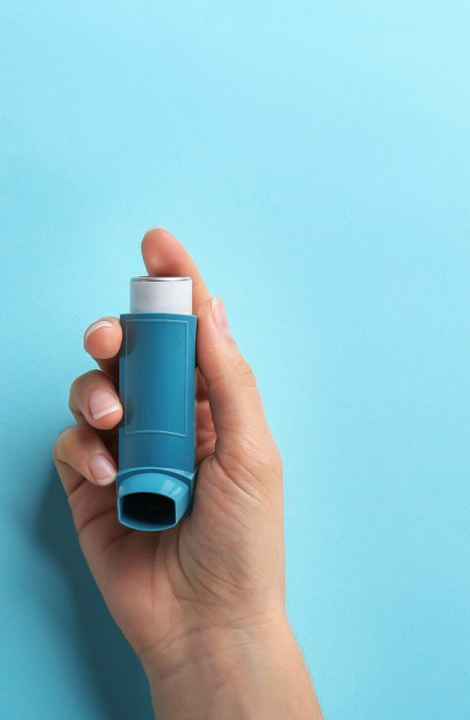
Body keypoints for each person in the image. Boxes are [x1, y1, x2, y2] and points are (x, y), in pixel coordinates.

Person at [51, 228, 322, 719]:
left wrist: (227, 622)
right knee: (105, 393)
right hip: (147, 486)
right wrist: (213, 635)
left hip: (161, 487)